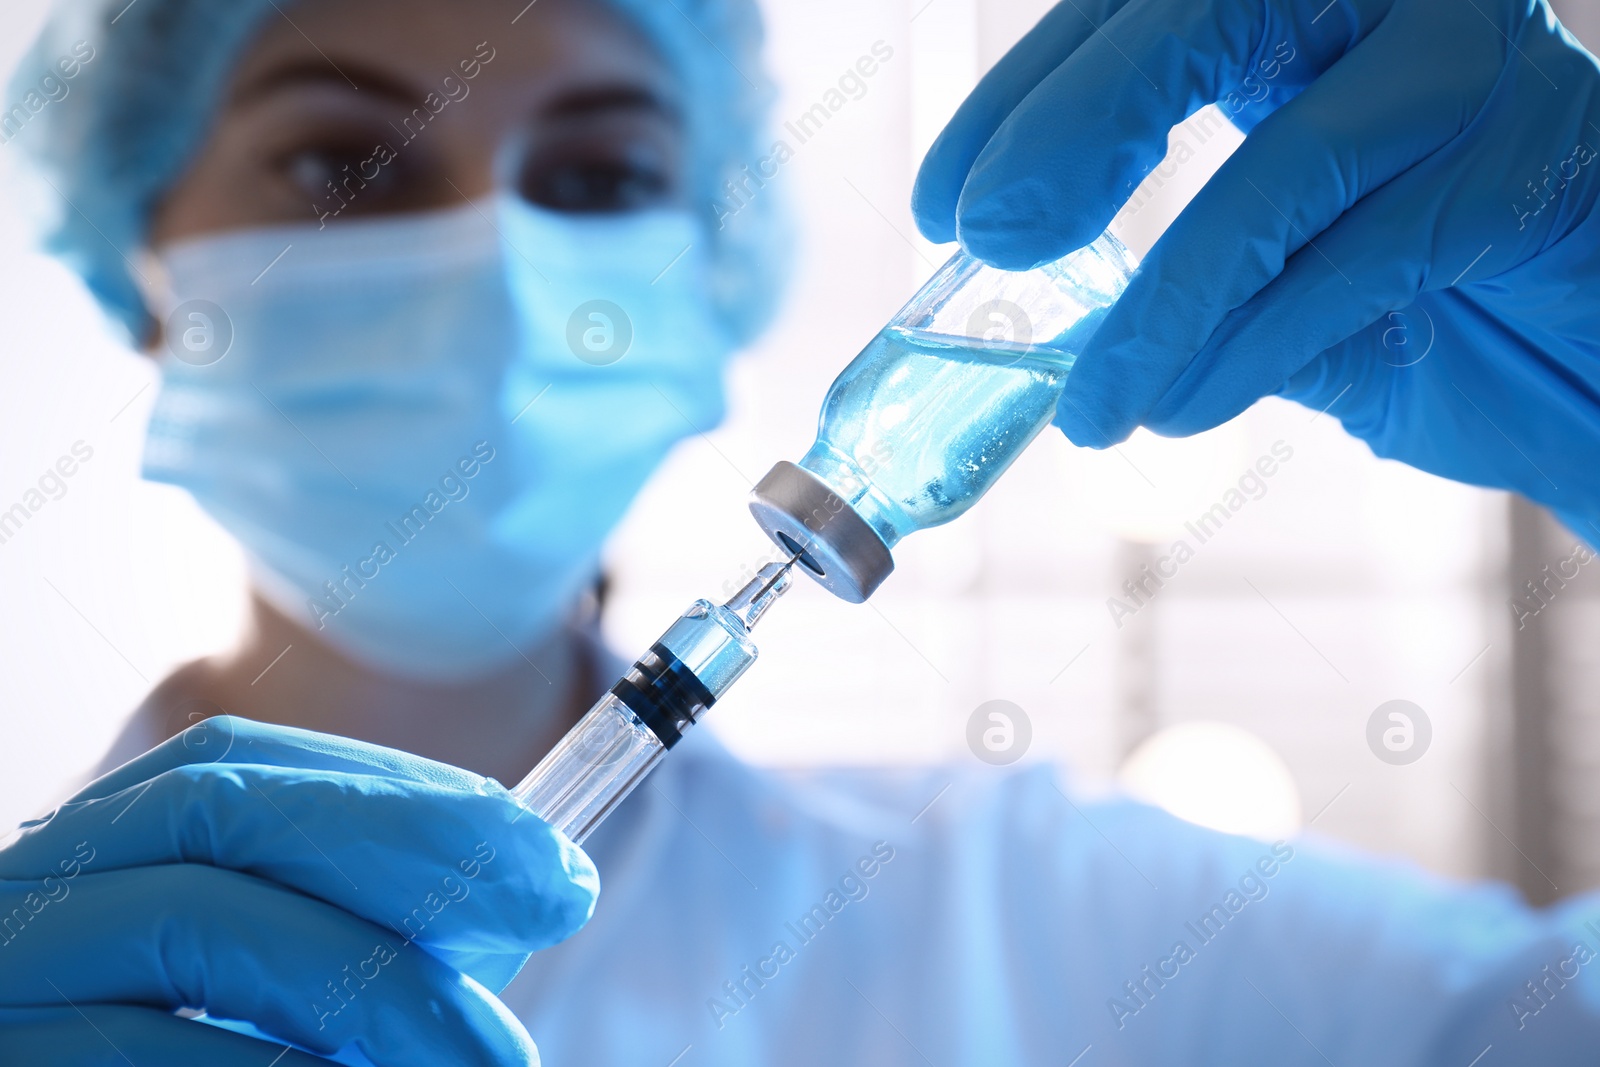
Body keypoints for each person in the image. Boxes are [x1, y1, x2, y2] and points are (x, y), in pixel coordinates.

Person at [1, 0, 1597, 1064]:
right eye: (345, 163)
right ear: (139, 259)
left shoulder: (1022, 914)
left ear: (705, 287)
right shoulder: (33, 972)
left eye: (602, 172)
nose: (494, 267)